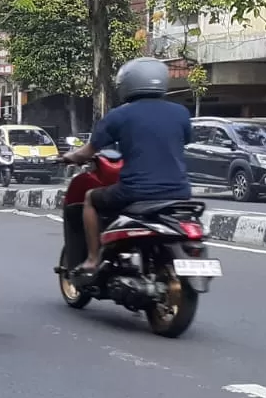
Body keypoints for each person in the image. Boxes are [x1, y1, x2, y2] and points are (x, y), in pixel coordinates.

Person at [61, 57, 192, 272]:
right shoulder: (181, 113)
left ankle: (93, 259)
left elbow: (88, 152)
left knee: (90, 199)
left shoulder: (119, 115)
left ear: (127, 84)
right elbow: (184, 141)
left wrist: (70, 157)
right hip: (180, 193)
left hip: (136, 192)